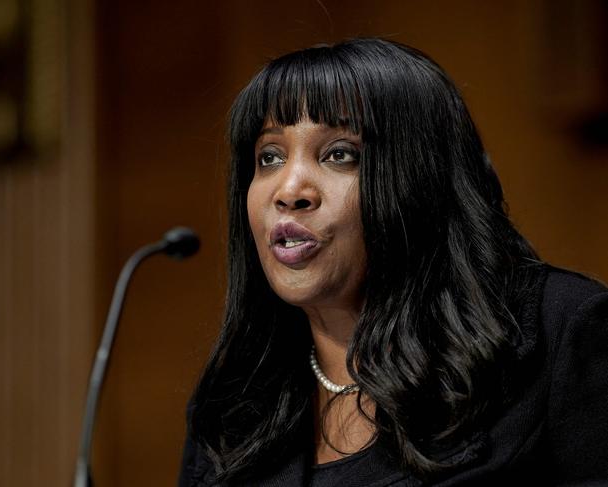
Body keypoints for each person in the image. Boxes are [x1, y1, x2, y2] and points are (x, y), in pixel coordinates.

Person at [179, 38, 608, 486]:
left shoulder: (560, 333)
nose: (288, 191)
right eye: (269, 157)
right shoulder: (233, 406)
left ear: (421, 177)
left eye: (339, 154)